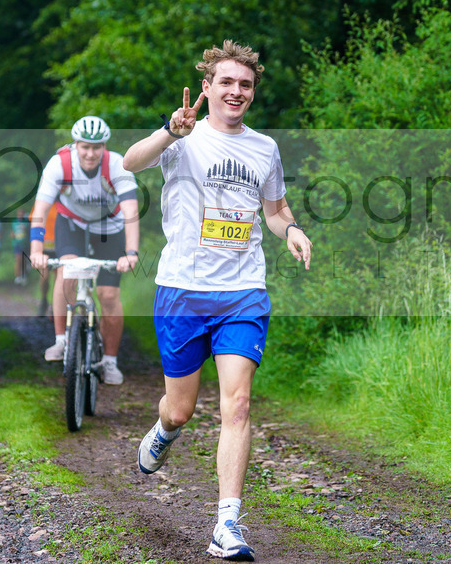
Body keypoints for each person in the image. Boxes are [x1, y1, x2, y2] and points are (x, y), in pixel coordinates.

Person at [122, 40, 312, 561]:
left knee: (238, 404)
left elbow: (273, 209)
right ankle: (163, 431)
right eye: (226, 82)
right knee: (181, 410)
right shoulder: (183, 136)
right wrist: (167, 130)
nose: (236, 91)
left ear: (252, 93)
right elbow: (130, 161)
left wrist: (291, 229)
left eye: (245, 85)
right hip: (183, 289)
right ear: (207, 88)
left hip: (242, 293)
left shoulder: (264, 148)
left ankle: (226, 525)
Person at [29, 116, 141, 385]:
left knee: (108, 295)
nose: (90, 153)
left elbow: (131, 212)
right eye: (85, 147)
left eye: (97, 147)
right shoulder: (59, 164)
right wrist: (36, 250)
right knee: (66, 271)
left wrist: (131, 252)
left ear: (104, 147)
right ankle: (61, 341)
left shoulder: (117, 165)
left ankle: (110, 361)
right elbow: (41, 212)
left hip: (109, 228)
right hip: (73, 223)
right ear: (75, 145)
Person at [12, 209, 30, 285]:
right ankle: (17, 276)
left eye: (21, 213)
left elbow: (29, 231)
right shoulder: (14, 222)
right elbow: (12, 232)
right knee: (18, 259)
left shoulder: (27, 222)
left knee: (24, 260)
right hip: (17, 243)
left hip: (25, 244)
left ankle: (24, 275)